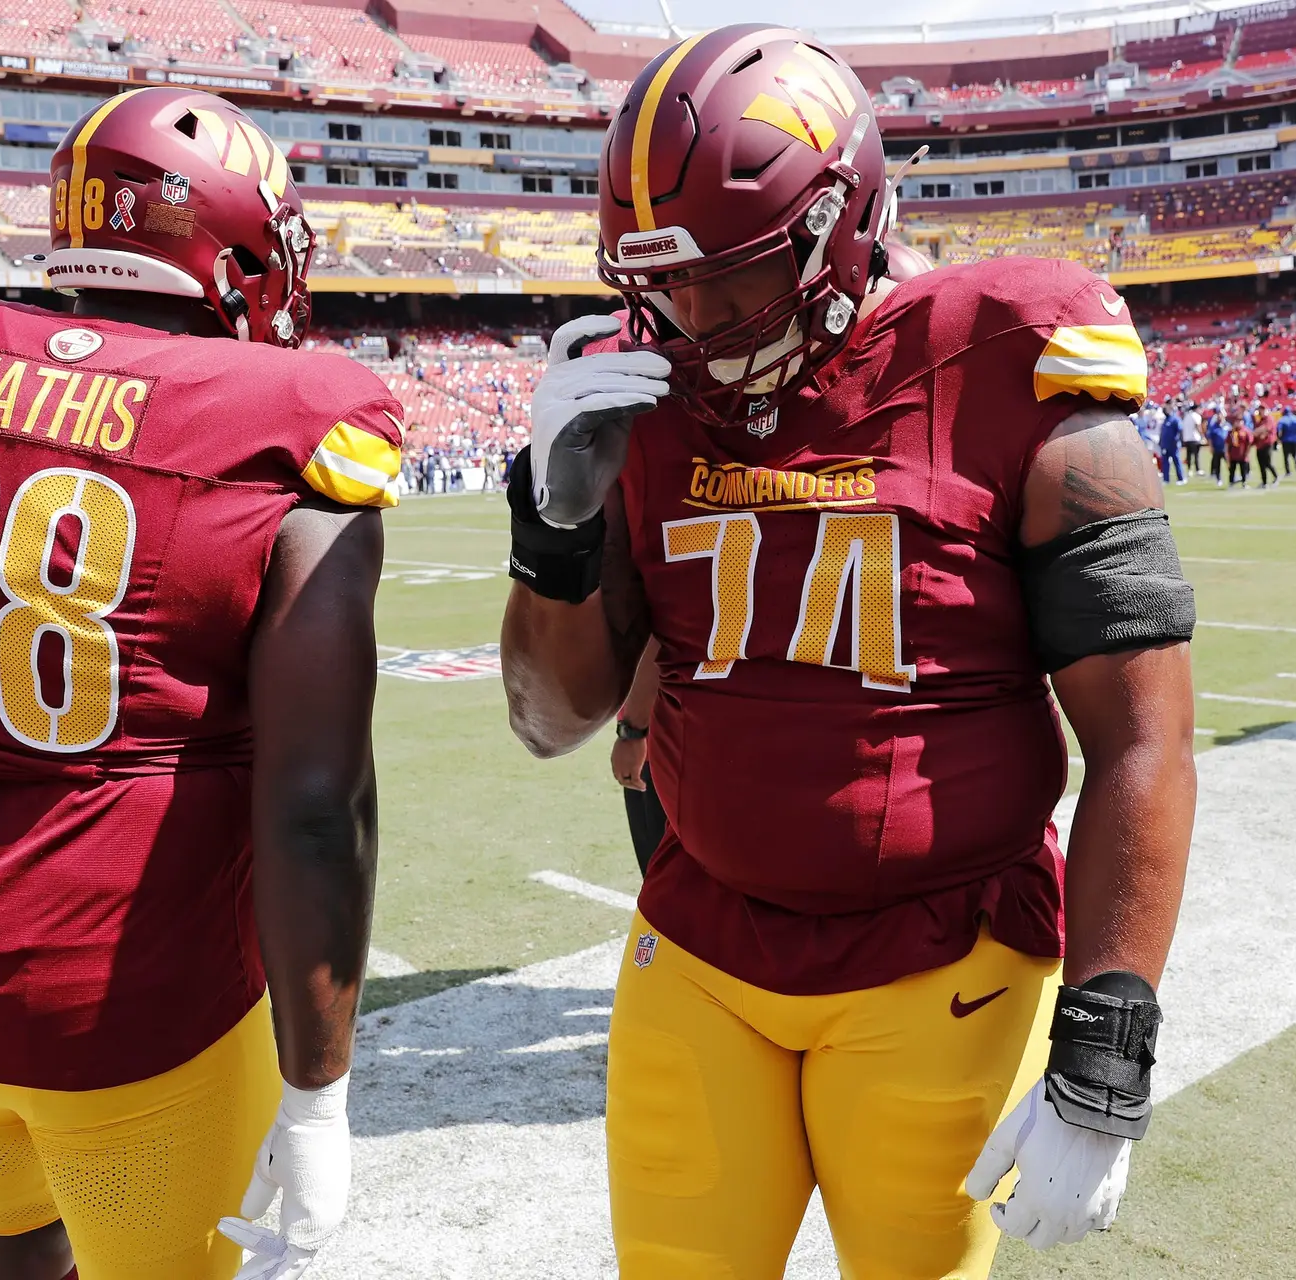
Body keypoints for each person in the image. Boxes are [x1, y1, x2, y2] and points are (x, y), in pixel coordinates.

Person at [501, 26, 1196, 1279]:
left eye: (740, 276)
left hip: (945, 955)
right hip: (701, 943)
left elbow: (1142, 736)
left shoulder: (1008, 367)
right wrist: (554, 534)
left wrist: (1108, 1041)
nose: (698, 320)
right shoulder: (640, 396)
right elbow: (551, 720)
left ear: (841, 222)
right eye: (668, 284)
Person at [0, 87, 398, 1280]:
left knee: (7, 1247)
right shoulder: (286, 418)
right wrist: (317, 1102)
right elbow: (315, 814)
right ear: (238, 254)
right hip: (129, 1012)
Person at [611, 640, 665, 874]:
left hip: (662, 739)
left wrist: (632, 732)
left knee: (667, 878)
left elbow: (657, 641)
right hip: (651, 739)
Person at [1157, 401, 1184, 485]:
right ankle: (1166, 479)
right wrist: (1160, 442)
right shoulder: (1165, 420)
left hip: (1173, 445)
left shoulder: (1175, 419)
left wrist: (1178, 441)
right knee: (1165, 462)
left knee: (1177, 462)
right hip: (1165, 445)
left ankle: (1181, 479)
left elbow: (1180, 431)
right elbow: (1163, 432)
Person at [1252, 408, 1279, 488]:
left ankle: (1276, 477)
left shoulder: (1269, 418)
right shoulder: (1260, 420)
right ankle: (1264, 482)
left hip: (1267, 444)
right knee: (1261, 464)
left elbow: (1266, 428)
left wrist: (1256, 431)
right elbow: (1256, 433)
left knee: (1267, 462)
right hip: (1259, 445)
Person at [1277, 404, 1296, 476]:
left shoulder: (1282, 419)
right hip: (1295, 440)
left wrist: (1279, 438)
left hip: (1285, 440)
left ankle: (1288, 472)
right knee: (1295, 455)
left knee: (1286, 457)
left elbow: (1278, 429)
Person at [1227, 412, 1252, 486]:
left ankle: (1244, 482)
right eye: (1237, 421)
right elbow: (1228, 442)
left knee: (1243, 469)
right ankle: (1231, 482)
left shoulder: (1246, 431)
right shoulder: (1232, 431)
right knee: (1232, 469)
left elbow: (1249, 442)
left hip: (1242, 454)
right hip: (1233, 454)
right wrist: (1227, 453)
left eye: (1240, 421)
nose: (1238, 423)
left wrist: (1247, 453)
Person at [1206, 402, 1228, 485]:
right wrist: (1211, 447)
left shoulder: (1227, 425)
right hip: (1217, 448)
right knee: (1217, 465)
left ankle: (1232, 477)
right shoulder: (1213, 426)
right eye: (1218, 414)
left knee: (1229, 463)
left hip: (1225, 448)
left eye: (1220, 414)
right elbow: (1210, 437)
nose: (1219, 416)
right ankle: (1218, 479)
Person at [1181, 400, 1203, 477]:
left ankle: (1189, 470)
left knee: (1189, 455)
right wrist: (1202, 436)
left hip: (1187, 438)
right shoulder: (1196, 416)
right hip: (1195, 438)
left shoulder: (1186, 416)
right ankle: (1197, 469)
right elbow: (1198, 427)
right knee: (1196, 455)